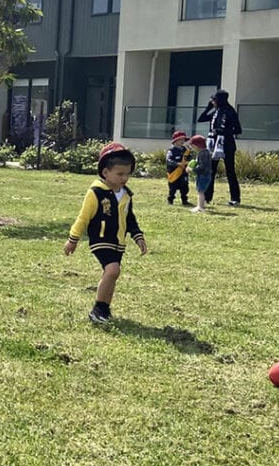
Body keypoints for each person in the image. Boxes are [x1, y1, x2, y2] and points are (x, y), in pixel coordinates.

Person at [64, 142, 147, 325]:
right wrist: (73, 239)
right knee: (112, 270)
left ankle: (104, 308)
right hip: (101, 239)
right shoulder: (95, 193)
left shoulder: (126, 194)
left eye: (128, 174)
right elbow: (83, 218)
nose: (124, 178)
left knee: (112, 274)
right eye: (120, 174)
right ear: (105, 172)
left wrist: (138, 236)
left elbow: (130, 218)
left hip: (118, 242)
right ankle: (97, 310)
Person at [197, 89, 243, 206]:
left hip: (227, 145)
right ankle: (207, 197)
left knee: (230, 171)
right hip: (213, 146)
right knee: (210, 171)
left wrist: (223, 131)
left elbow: (238, 130)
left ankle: (235, 198)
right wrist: (208, 108)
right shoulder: (215, 112)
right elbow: (201, 119)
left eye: (214, 100)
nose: (212, 102)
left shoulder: (230, 112)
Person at [165, 131, 192, 206]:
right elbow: (168, 160)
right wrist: (177, 163)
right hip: (174, 172)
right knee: (172, 187)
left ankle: (184, 200)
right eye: (180, 139)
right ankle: (170, 200)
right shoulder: (171, 150)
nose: (182, 141)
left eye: (183, 140)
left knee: (185, 187)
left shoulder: (186, 150)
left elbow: (190, 158)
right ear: (175, 141)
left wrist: (189, 163)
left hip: (183, 172)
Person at [188, 134, 212, 213]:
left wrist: (192, 170)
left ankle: (200, 207)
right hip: (205, 175)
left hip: (203, 175)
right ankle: (201, 205)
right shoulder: (206, 152)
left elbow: (202, 166)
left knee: (200, 192)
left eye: (193, 146)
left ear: (197, 145)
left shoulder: (202, 153)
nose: (192, 148)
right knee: (201, 191)